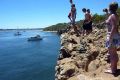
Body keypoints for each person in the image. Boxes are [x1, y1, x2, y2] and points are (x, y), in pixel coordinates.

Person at [104, 2, 120, 74]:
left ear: (110, 8)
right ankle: (114, 67)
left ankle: (113, 70)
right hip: (116, 36)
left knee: (112, 54)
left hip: (112, 36)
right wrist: (107, 12)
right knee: (114, 53)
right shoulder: (116, 15)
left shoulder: (112, 16)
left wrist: (110, 38)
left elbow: (113, 27)